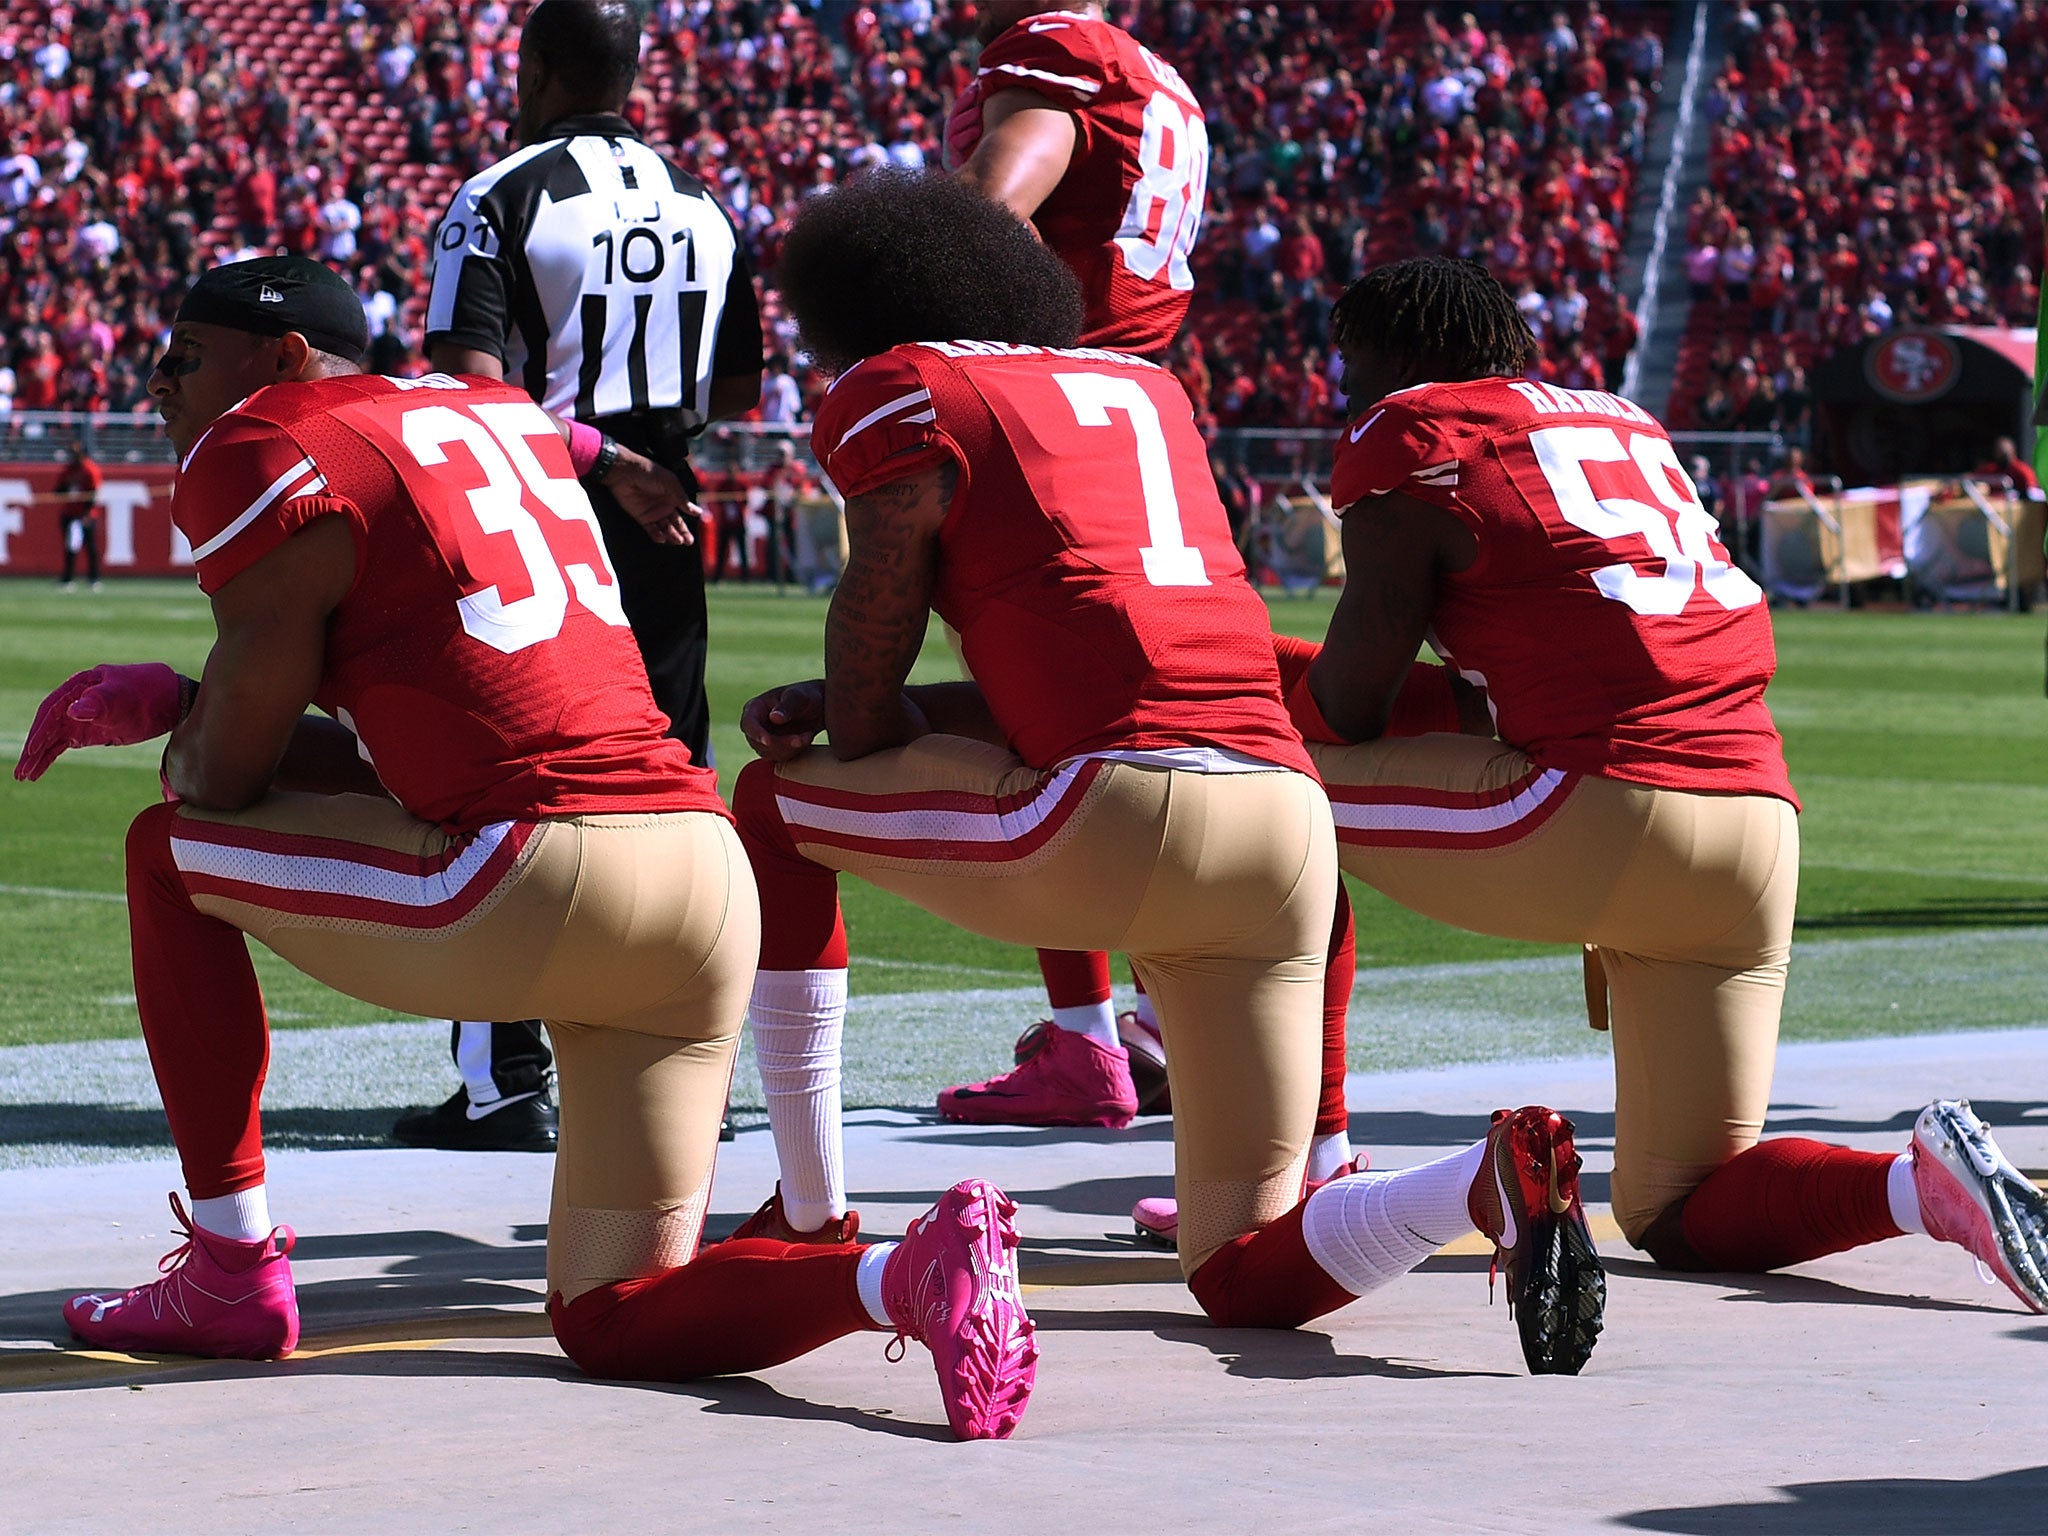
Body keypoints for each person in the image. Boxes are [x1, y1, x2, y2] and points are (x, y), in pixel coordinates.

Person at [11, 255, 1032, 1441]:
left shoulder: (267, 439)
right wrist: (201, 693)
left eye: (183, 355)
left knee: (163, 849)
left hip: (533, 877)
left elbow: (220, 781)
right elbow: (428, 747)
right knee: (612, 1313)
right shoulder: (492, 414)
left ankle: (230, 1267)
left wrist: (180, 713)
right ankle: (900, 1278)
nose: (158, 384)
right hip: (700, 874)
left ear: (282, 358)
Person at [726, 171, 1603, 1376]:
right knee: (1239, 1269)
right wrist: (928, 710)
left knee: (774, 806)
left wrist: (864, 716)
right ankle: (1477, 1180)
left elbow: (874, 656)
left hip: (1117, 811)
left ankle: (811, 1211)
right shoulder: (1147, 386)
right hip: (1282, 821)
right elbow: (1107, 652)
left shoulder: (906, 388)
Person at [1299, 255, 2047, 1318]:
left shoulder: (1416, 430)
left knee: (1243, 798)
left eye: (1357, 364)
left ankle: (1313, 1156)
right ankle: (1916, 1188)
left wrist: (1251, 676)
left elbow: (1352, 701)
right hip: (1754, 821)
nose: (1351, 393)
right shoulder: (1624, 421)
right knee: (1678, 1207)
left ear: (1405, 356)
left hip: (1601, 806)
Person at [411, 0, 765, 1151]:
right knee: (674, 785)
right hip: (668, 520)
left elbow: (473, 390)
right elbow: (736, 390)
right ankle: (679, 1070)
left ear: (537, 66)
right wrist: (648, 453)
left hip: (542, 516)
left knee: (506, 777)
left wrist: (598, 455)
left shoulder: (500, 192)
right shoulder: (707, 206)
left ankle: (505, 1080)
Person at [53, 440, 102, 590]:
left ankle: (93, 578)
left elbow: (93, 493)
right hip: (70, 513)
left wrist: (87, 514)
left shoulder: (90, 469)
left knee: (90, 547)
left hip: (86, 514)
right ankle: (68, 578)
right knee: (70, 547)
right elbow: (58, 490)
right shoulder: (68, 471)